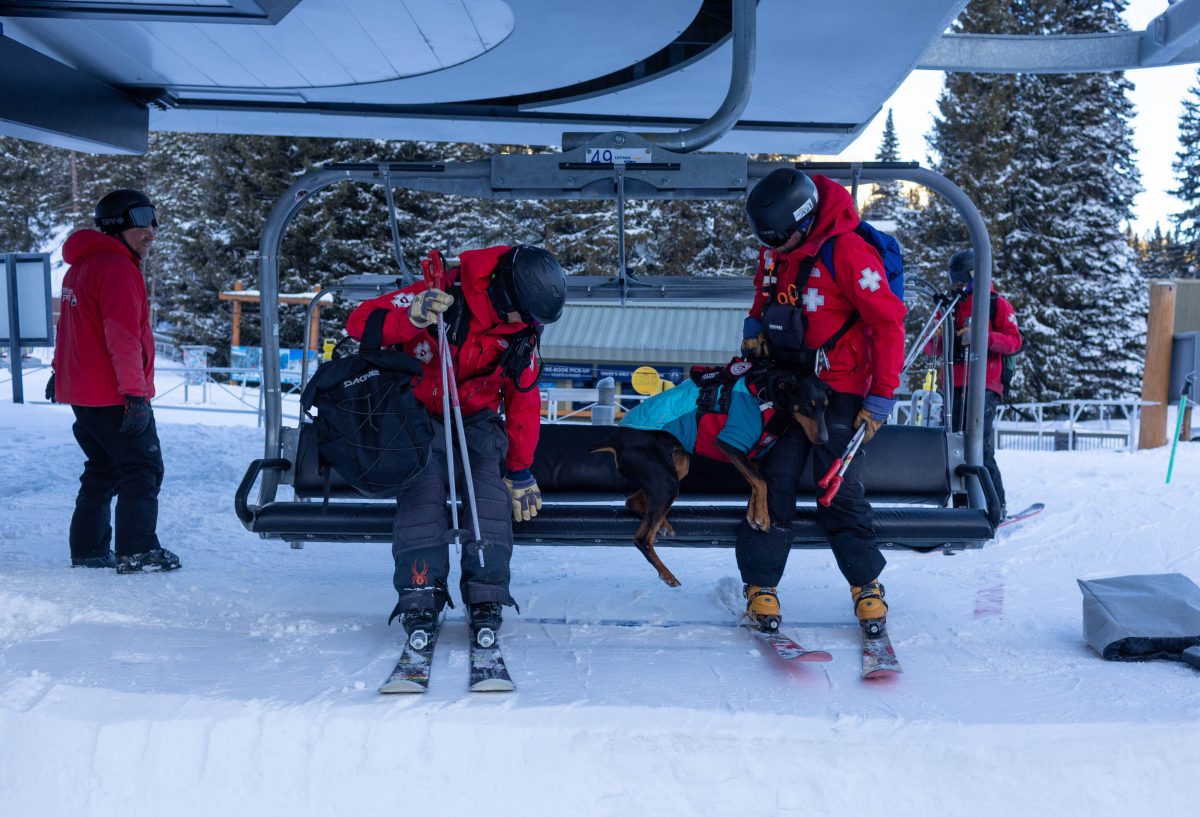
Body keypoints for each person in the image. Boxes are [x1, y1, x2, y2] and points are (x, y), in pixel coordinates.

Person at [345, 245, 566, 647]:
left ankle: (487, 591)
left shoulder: (522, 334)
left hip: (477, 421)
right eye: (524, 314)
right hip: (417, 417)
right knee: (421, 490)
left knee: (489, 492)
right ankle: (420, 588)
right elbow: (359, 322)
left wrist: (519, 470)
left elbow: (524, 400)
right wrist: (410, 319)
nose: (527, 324)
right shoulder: (444, 293)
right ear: (505, 294)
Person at [737, 168, 906, 635]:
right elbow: (762, 298)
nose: (770, 244)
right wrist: (754, 332)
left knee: (837, 483)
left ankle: (865, 583)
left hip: (841, 387)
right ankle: (760, 583)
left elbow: (888, 324)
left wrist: (881, 397)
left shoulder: (848, 251)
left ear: (805, 220)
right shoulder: (775, 252)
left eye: (777, 235)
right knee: (775, 476)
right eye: (764, 236)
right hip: (790, 383)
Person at [48, 189, 181, 573]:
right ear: (116, 224)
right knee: (142, 468)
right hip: (114, 395)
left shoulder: (82, 266)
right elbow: (122, 336)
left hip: (86, 394)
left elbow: (71, 328)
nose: (151, 230)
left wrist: (60, 371)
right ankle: (137, 550)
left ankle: (88, 549)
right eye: (141, 219)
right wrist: (136, 396)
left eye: (153, 219)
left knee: (103, 468)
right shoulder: (117, 269)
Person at [924, 249, 1023, 518]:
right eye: (954, 279)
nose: (958, 285)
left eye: (961, 278)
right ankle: (960, 503)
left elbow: (1014, 341)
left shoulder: (995, 305)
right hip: (954, 382)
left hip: (984, 384)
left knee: (978, 444)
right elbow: (929, 346)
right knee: (953, 444)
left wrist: (982, 336)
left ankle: (995, 505)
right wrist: (944, 339)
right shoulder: (950, 307)